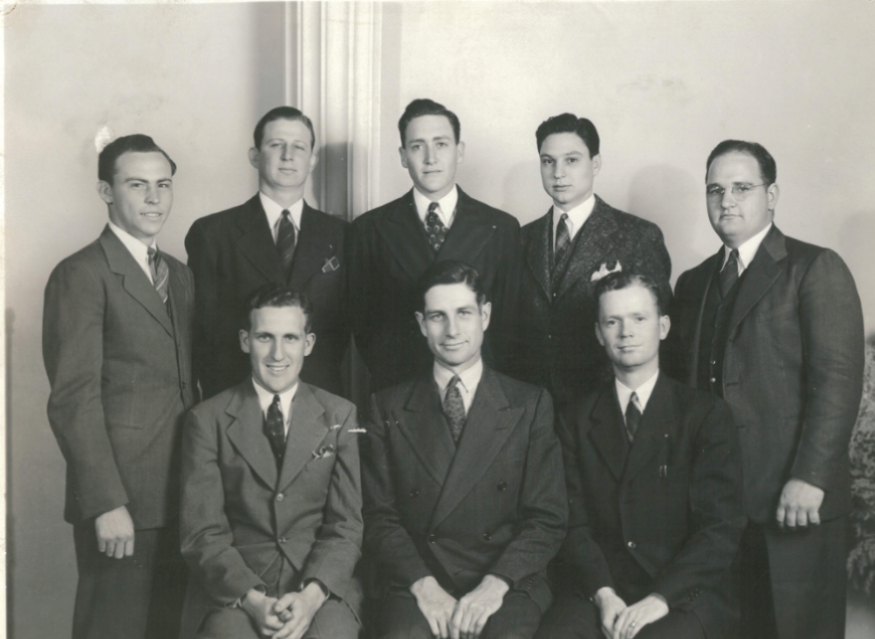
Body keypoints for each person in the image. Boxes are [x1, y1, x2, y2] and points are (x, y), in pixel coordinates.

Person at [669, 140, 865, 639]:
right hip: (723, 514)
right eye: (714, 190)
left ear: (772, 196)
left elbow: (837, 381)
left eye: (741, 188)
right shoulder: (695, 283)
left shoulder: (814, 267)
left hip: (796, 504)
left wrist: (810, 476)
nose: (726, 201)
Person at [361, 260, 568, 639]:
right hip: (419, 574)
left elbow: (547, 518)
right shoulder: (387, 405)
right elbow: (379, 517)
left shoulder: (529, 403)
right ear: (420, 324)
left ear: (486, 316)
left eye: (464, 313)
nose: (451, 329)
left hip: (507, 579)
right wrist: (423, 585)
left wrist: (496, 585)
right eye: (437, 316)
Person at [534, 271, 745, 639]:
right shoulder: (574, 418)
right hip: (604, 587)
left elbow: (719, 530)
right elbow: (571, 523)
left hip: (687, 595)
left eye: (638, 318)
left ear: (663, 327)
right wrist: (604, 594)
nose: (625, 332)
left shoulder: (704, 415)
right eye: (612, 322)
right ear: (597, 332)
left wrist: (659, 599)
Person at [42, 134, 195, 639]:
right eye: (137, 184)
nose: (154, 198)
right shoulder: (81, 274)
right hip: (121, 501)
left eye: (163, 185)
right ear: (106, 191)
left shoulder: (177, 275)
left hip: (178, 495)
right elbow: (72, 399)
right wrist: (106, 501)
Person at [178, 285, 363, 639]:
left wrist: (312, 595)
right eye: (265, 337)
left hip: (319, 589)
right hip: (237, 592)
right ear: (246, 340)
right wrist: (253, 599)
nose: (277, 353)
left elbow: (346, 525)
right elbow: (202, 533)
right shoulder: (207, 420)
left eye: (291, 338)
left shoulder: (340, 415)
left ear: (309, 343)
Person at [346, 99, 522, 392]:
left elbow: (509, 323)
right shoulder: (369, 229)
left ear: (459, 151)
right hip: (399, 389)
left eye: (441, 144)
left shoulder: (501, 227)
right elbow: (364, 326)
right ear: (403, 156)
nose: (430, 157)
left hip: (481, 390)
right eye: (417, 146)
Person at [186, 106, 349, 399]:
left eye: (299, 147)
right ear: (255, 155)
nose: (288, 155)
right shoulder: (213, 234)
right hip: (237, 398)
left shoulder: (341, 235)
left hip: (319, 400)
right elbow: (203, 333)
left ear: (312, 160)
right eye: (276, 145)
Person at [513, 113, 671, 413]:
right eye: (548, 161)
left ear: (595, 164)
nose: (558, 172)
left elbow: (661, 336)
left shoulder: (637, 236)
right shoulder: (520, 239)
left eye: (571, 160)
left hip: (607, 409)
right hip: (532, 410)